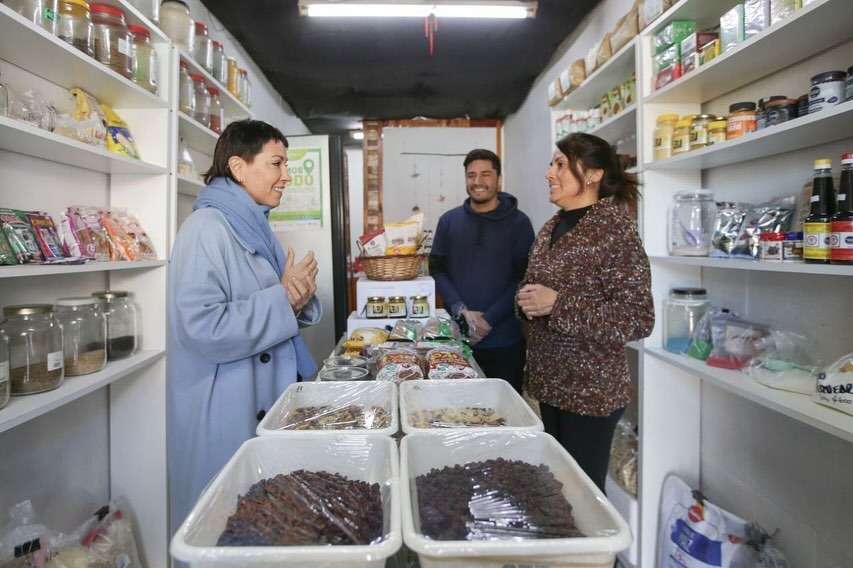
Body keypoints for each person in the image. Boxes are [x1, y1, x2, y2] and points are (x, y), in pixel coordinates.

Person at [166, 120, 322, 533]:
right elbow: (203, 327)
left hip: (257, 392)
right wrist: (285, 297)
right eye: (276, 163)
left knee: (262, 524)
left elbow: (272, 302)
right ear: (238, 167)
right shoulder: (206, 230)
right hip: (226, 403)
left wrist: (296, 297)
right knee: (227, 525)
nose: (286, 175)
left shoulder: (251, 223)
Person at [517, 133, 653, 491]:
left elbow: (638, 316)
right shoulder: (553, 225)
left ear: (592, 175)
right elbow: (539, 287)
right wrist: (527, 302)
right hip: (551, 385)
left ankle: (590, 550)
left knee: (583, 495)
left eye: (560, 164)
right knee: (557, 486)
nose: (549, 172)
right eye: (552, 164)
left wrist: (557, 304)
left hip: (591, 393)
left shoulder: (614, 231)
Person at [429, 149, 534, 393]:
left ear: (498, 178)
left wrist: (488, 320)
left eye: (485, 174)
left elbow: (525, 277)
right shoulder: (448, 221)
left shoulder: (520, 223)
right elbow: (437, 269)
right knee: (456, 413)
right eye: (471, 175)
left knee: (504, 417)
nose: (477, 182)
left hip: (505, 341)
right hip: (455, 341)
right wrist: (460, 309)